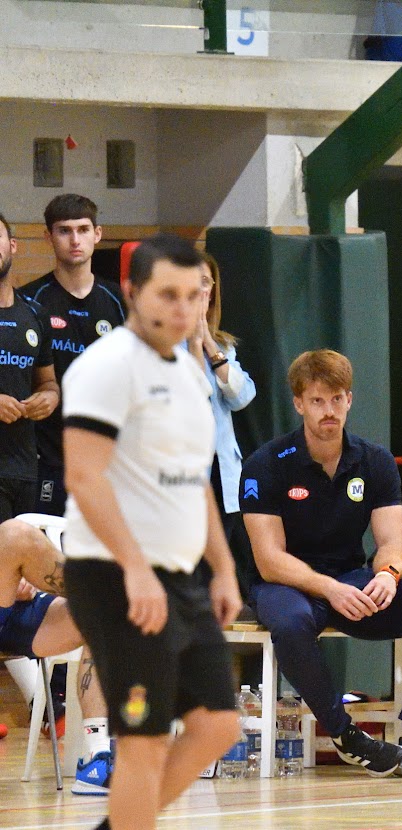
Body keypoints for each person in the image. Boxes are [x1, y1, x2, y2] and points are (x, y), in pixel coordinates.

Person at [60, 234, 242, 830]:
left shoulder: (190, 372)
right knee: (144, 741)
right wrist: (135, 568)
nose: (183, 308)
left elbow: (195, 481)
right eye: (168, 294)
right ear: (133, 292)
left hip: (182, 578)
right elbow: (84, 476)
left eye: (194, 295)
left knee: (219, 724)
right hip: (116, 577)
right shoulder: (107, 367)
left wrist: (223, 567)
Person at [241, 349, 402, 778]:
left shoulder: (374, 461)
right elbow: (269, 560)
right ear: (299, 403)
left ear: (350, 400)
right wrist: (329, 588)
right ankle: (344, 734)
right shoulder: (265, 465)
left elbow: (393, 542)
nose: (329, 411)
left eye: (337, 399)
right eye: (318, 401)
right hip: (288, 584)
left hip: (350, 577)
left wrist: (388, 574)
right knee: (291, 623)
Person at [19, 194, 126, 517]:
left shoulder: (121, 302)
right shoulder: (29, 302)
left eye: (83, 229)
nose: (75, 240)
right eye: (64, 231)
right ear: (48, 236)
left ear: (98, 234)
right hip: (47, 456)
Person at [0, 517, 112, 794]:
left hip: (15, 608)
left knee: (105, 615)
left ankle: (98, 758)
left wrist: (19, 575)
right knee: (14, 534)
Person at [189, 254, 256, 597]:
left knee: (217, 567)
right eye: (191, 283)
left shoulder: (224, 344)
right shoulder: (158, 343)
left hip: (221, 468)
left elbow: (242, 396)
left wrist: (209, 344)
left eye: (205, 282)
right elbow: (193, 394)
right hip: (182, 471)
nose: (199, 291)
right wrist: (191, 342)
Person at [0, 212, 59, 521]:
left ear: (12, 246)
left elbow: (47, 381)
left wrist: (49, 397)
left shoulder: (35, 314)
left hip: (24, 467)